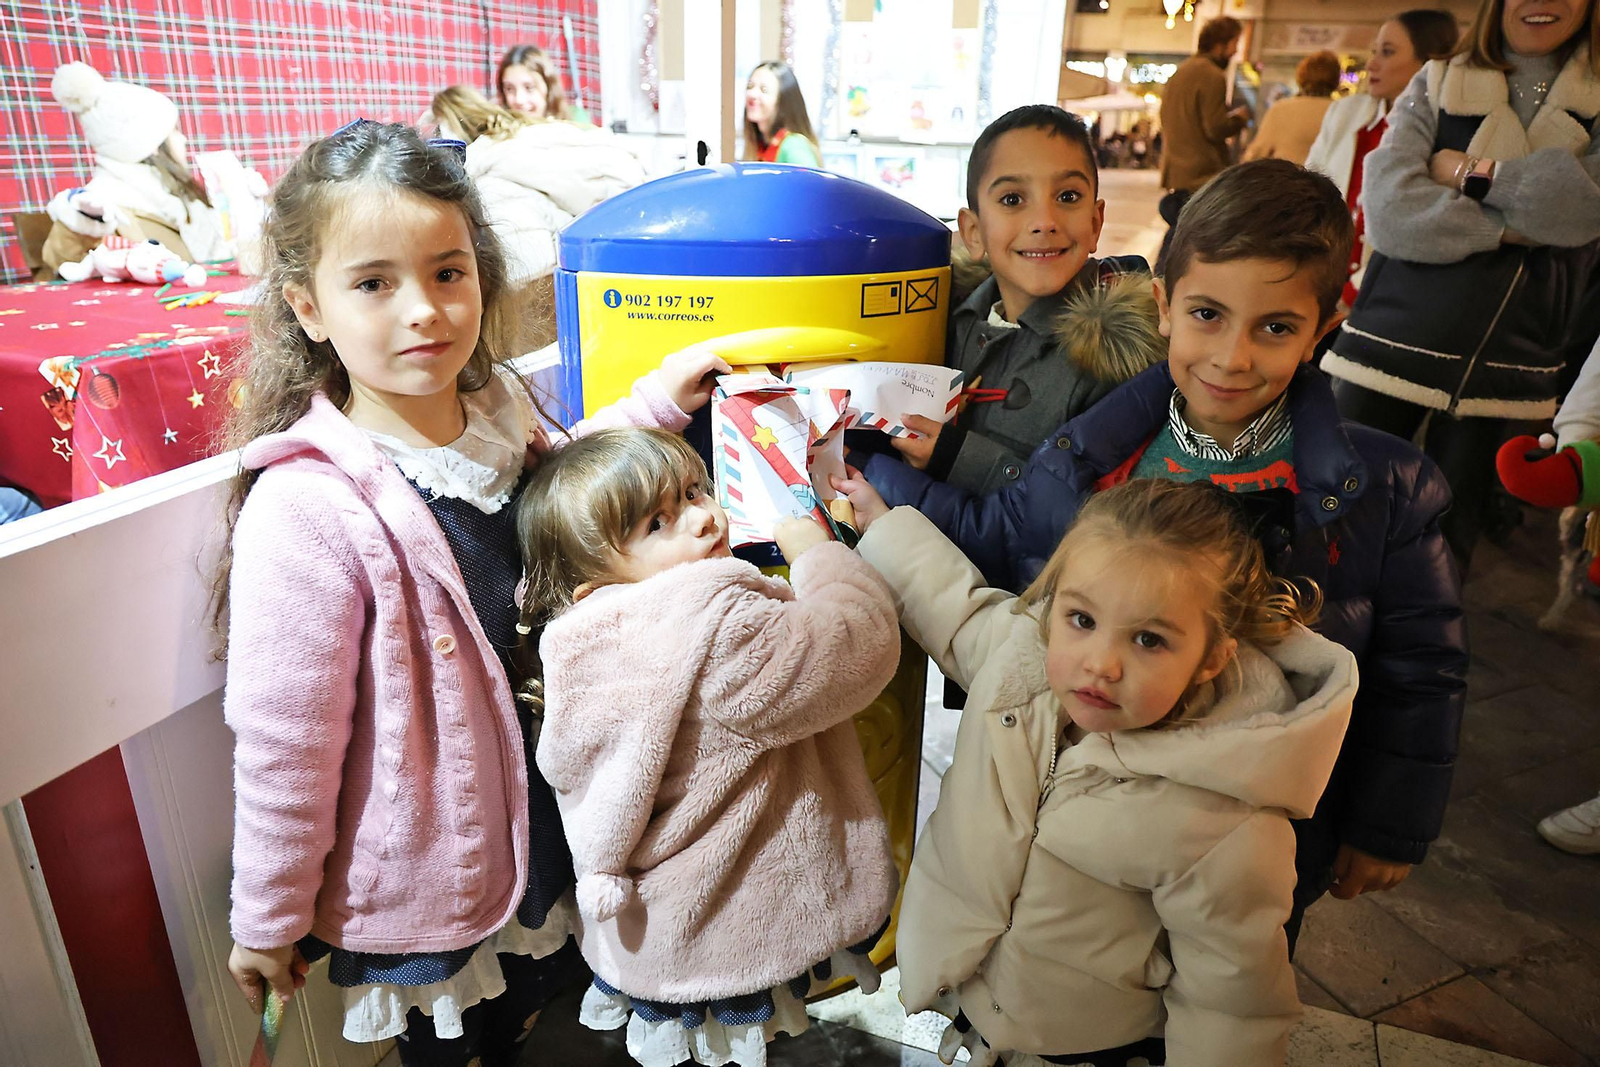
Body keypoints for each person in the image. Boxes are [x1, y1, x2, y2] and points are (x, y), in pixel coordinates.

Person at [843, 159, 1468, 952]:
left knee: (1223, 979)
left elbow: (1421, 669)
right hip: (1075, 809)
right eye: (1208, 314)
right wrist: (872, 479)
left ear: (1323, 328)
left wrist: (1387, 823)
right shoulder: (1096, 449)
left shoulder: (1386, 487)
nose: (1232, 357)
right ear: (1166, 305)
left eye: (1275, 327)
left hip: (1239, 841)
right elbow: (1000, 530)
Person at [217, 121, 726, 1067]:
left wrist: (655, 407)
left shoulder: (501, 419)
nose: (424, 309)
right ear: (309, 307)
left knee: (540, 1026)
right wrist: (269, 915)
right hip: (431, 875)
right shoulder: (306, 507)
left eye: (447, 272)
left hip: (550, 833)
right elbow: (285, 740)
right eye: (374, 283)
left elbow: (566, 490)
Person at [845, 479, 1357, 1067]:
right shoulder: (1022, 664)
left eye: (1149, 639)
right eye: (1082, 618)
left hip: (1081, 1040)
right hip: (974, 986)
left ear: (1214, 655)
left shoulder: (1225, 821)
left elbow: (1231, 1002)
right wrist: (880, 529)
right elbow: (956, 612)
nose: (1100, 664)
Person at [519, 428, 901, 1065]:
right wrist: (818, 555)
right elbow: (859, 642)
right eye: (657, 523)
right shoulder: (718, 633)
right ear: (591, 579)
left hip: (658, 926)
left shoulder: (583, 642)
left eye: (694, 491)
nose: (702, 518)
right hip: (729, 922)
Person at [1321, 0, 1600, 572]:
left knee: (1443, 557)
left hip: (1509, 364)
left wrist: (1466, 172)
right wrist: (1519, 225)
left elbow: (1582, 214)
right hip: (1389, 341)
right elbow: (1390, 211)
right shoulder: (1439, 77)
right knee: (1331, 525)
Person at [880, 104, 1161, 497]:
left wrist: (960, 457)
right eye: (1013, 199)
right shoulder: (940, 319)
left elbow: (1083, 509)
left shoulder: (1117, 360)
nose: (1044, 221)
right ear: (973, 232)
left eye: (1067, 196)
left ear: (1095, 223)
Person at [1304, 9, 1460, 308]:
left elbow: (1421, 233)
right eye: (1374, 51)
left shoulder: (1446, 135)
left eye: (1387, 52)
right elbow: (1306, 196)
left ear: (1429, 63)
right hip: (1319, 284)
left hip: (1389, 299)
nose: (1372, 63)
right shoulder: (1345, 114)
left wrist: (1352, 293)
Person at [41, 62, 248, 278]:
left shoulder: (174, 196)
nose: (183, 139)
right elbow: (60, 266)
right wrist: (77, 225)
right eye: (175, 131)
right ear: (152, 146)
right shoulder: (102, 205)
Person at [428, 85, 647, 285]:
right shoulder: (533, 130)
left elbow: (528, 271)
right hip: (636, 229)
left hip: (584, 278)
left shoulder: (490, 175)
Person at [1156, 16, 1251, 271]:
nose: (1235, 51)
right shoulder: (1212, 75)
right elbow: (1215, 127)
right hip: (1202, 172)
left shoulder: (1181, 72)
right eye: (1234, 43)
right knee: (1195, 244)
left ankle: (1160, 282)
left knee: (1179, 239)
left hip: (1177, 170)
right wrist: (1239, 119)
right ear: (1221, 44)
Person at [1243, 51, 1342, 165]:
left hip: (1286, 174)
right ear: (1336, 79)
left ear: (1301, 76)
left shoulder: (1281, 109)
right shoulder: (1341, 112)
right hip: (1328, 176)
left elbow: (1256, 153)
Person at [743, 60, 822, 167]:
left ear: (783, 101)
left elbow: (811, 178)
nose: (752, 94)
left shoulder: (793, 145)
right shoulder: (760, 145)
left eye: (764, 90)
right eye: (750, 86)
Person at [496, 44, 592, 125]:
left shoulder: (575, 121)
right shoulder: (497, 131)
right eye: (509, 89)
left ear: (549, 87)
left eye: (529, 88)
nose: (519, 100)